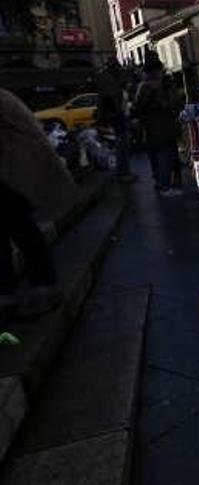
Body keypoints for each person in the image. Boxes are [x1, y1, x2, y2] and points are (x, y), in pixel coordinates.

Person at [0, 89, 77, 316]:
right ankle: (13, 291)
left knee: (19, 229)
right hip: (14, 173)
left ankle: (37, 288)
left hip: (13, 174)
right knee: (18, 229)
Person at [133, 54, 183, 196]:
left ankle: (160, 182)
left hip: (150, 127)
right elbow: (173, 103)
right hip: (164, 126)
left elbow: (137, 107)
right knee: (166, 156)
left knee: (156, 155)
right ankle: (166, 186)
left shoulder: (142, 87)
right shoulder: (162, 85)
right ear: (158, 69)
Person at [94, 57, 138, 182]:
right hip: (118, 117)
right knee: (122, 145)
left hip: (119, 116)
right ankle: (123, 173)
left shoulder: (111, 80)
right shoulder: (109, 81)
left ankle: (124, 172)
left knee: (123, 145)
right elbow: (113, 100)